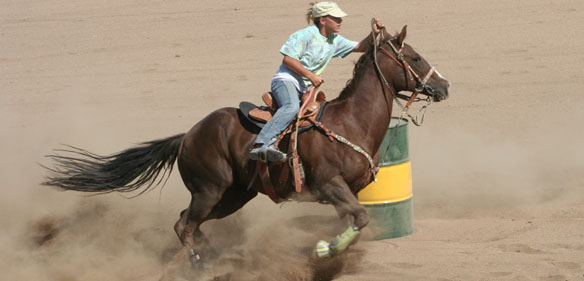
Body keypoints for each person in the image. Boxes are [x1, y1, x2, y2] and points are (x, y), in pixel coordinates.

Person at [250, 1, 385, 162]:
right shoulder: (304, 35)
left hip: (306, 90)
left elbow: (360, 47)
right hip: (286, 81)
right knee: (291, 107)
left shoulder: (334, 41)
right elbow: (288, 59)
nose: (340, 21)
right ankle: (261, 144)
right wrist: (311, 76)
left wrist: (374, 34)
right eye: (336, 18)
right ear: (322, 20)